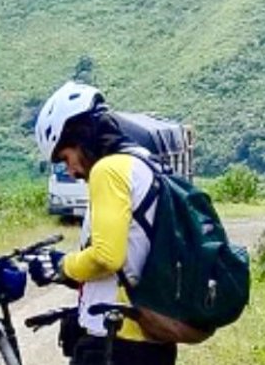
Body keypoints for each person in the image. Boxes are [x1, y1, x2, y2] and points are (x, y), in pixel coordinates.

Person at [28, 81, 177, 365]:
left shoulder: (108, 171)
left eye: (65, 157)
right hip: (150, 339)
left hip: (117, 341)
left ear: (81, 138)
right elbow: (133, 256)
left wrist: (61, 264)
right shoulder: (143, 163)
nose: (69, 170)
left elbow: (107, 257)